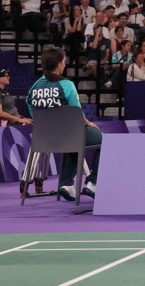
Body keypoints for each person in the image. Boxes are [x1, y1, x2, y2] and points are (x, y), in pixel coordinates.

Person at [27, 46, 101, 200]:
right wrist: (88, 123)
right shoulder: (66, 85)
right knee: (105, 139)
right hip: (68, 136)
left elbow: (32, 110)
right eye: (64, 61)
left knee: (73, 139)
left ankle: (66, 184)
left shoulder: (34, 87)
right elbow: (76, 114)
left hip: (44, 139)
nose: (65, 65)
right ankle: (93, 183)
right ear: (59, 64)